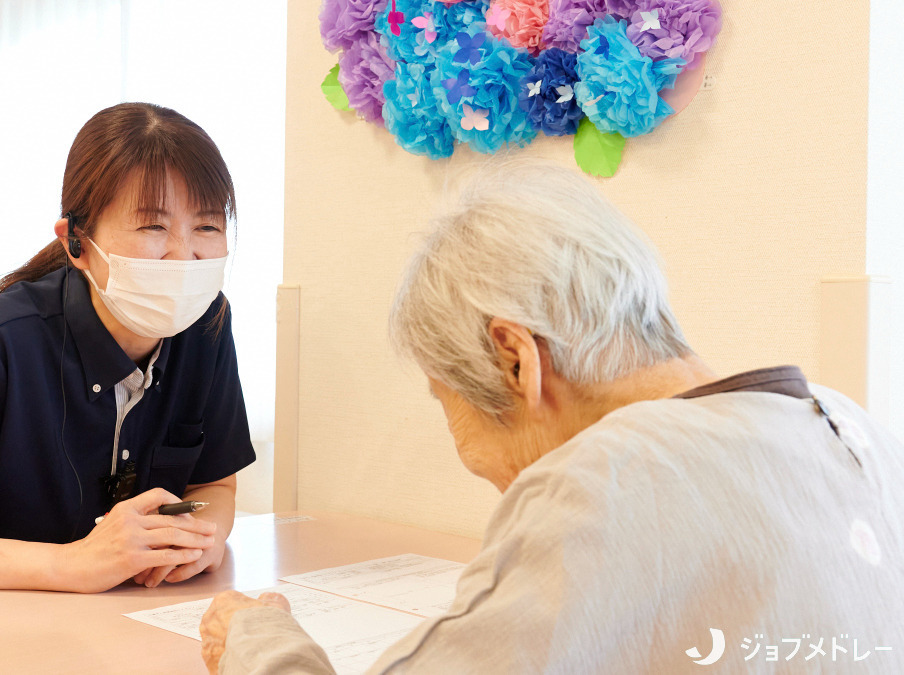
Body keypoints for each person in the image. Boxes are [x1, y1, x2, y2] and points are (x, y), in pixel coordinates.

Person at [200, 161, 904, 673]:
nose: (501, 491)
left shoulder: (608, 479)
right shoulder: (849, 424)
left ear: (515, 357)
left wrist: (258, 640)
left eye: (448, 401)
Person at [0, 103, 256, 593]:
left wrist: (203, 536)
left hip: (125, 623)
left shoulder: (206, 325)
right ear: (77, 242)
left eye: (206, 226)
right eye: (152, 227)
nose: (184, 256)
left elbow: (214, 485)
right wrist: (70, 565)